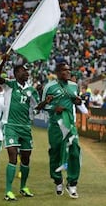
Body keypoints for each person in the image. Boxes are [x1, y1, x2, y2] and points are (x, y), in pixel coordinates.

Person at [0, 54, 40, 201]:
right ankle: (8, 191)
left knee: (26, 159)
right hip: (11, 126)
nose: (26, 73)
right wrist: (3, 62)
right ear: (16, 73)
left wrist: (46, 103)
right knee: (12, 157)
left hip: (25, 127)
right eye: (23, 71)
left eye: (27, 71)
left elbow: (37, 107)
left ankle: (23, 187)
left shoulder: (32, 90)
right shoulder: (10, 85)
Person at [36, 62, 84, 199]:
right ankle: (58, 180)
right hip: (55, 125)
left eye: (68, 70)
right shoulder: (49, 87)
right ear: (57, 72)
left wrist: (78, 101)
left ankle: (72, 183)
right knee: (55, 153)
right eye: (64, 70)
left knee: (74, 149)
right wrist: (52, 108)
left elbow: (75, 100)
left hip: (70, 124)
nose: (67, 72)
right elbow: (41, 106)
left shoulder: (74, 86)